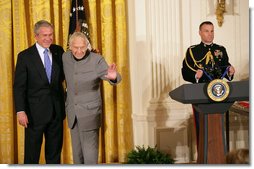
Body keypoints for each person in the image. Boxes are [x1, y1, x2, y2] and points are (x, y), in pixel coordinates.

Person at [62, 32, 122, 164]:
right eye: (76, 47)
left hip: (90, 114)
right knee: (77, 156)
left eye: (82, 47)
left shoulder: (96, 60)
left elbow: (113, 76)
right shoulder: (65, 58)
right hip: (72, 114)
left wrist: (113, 77)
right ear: (70, 47)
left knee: (90, 157)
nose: (79, 51)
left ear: (87, 45)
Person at [13, 20, 65, 164]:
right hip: (33, 114)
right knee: (32, 155)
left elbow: (67, 73)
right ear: (36, 36)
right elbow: (19, 86)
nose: (48, 38)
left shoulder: (58, 51)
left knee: (54, 155)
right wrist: (20, 111)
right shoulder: (24, 56)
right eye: (44, 35)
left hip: (56, 112)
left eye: (51, 35)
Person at [181, 21, 235, 148]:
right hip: (201, 92)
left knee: (218, 127)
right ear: (200, 33)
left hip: (219, 92)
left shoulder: (221, 49)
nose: (210, 34)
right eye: (206, 31)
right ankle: (204, 157)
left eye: (212, 31)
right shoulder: (193, 51)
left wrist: (230, 72)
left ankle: (220, 156)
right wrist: (196, 75)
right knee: (202, 127)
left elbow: (225, 68)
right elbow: (185, 72)